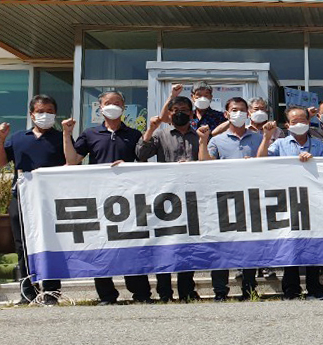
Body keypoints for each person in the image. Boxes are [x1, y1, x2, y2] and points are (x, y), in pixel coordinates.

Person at [63, 91, 152, 305]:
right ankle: (107, 295)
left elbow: (142, 161)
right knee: (101, 246)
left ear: (124, 107)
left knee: (132, 245)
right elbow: (72, 160)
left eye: (118, 103)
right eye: (108, 103)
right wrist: (66, 134)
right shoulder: (90, 133)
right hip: (99, 198)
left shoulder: (133, 133)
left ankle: (141, 293)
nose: (113, 106)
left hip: (127, 199)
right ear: (100, 107)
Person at [0, 95, 66, 305]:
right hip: (22, 199)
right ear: (32, 114)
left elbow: (71, 163)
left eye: (50, 111)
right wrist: (0, 139)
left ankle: (51, 291)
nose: (45, 115)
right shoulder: (18, 138)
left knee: (52, 243)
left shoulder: (61, 138)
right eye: (41, 111)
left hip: (51, 201)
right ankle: (28, 292)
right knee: (22, 246)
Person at [198, 97, 265, 302]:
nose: (239, 114)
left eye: (243, 110)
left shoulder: (257, 138)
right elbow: (204, 163)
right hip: (224, 200)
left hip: (250, 199)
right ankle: (220, 290)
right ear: (226, 115)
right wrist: (202, 140)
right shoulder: (217, 140)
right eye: (234, 110)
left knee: (249, 245)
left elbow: (266, 164)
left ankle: (249, 289)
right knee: (221, 246)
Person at [257, 106, 323, 300]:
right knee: (290, 244)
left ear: (309, 121)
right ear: (287, 125)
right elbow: (261, 161)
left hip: (312, 200)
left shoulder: (319, 145)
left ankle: (314, 287)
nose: (299, 124)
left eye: (303, 120)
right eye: (294, 122)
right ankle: (291, 288)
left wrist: (313, 162)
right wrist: (266, 137)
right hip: (286, 200)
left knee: (313, 245)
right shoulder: (279, 144)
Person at [137, 96, 200, 302]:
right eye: (174, 110)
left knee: (187, 245)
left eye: (183, 109)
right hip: (166, 197)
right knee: (164, 244)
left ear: (191, 114)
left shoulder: (199, 135)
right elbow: (141, 154)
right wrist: (150, 129)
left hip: (192, 197)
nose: (179, 113)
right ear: (169, 114)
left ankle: (187, 291)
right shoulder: (160, 135)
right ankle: (164, 292)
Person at [160, 82, 226, 135]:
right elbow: (164, 118)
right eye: (199, 95)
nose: (202, 98)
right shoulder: (186, 114)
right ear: (192, 97)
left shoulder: (220, 117)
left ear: (211, 97)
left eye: (206, 95)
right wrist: (172, 95)